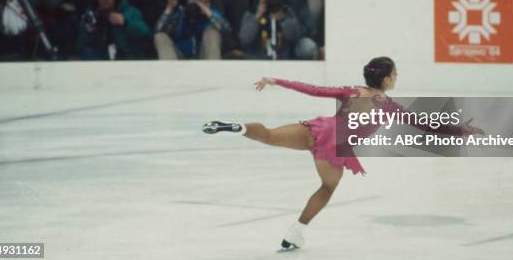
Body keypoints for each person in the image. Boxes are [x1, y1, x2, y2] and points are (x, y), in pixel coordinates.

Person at [201, 56, 484, 249]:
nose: (396, 77)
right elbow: (425, 125)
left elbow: (313, 89)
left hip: (318, 130)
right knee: (326, 188)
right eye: (394, 73)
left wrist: (278, 80)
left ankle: (237, 127)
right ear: (385, 79)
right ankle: (296, 232)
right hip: (335, 148)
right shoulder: (388, 105)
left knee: (271, 135)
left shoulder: (350, 91)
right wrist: (462, 131)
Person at [75, 0, 151, 60]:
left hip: (127, 59)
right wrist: (88, 32)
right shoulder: (90, 16)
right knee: (87, 52)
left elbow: (146, 33)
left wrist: (125, 22)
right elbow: (78, 47)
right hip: (101, 61)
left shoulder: (130, 12)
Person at [154, 0, 230, 59]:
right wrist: (169, 8)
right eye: (199, 1)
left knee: (212, 32)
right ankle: (169, 70)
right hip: (180, 59)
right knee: (160, 36)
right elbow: (158, 29)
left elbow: (226, 29)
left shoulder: (212, 12)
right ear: (190, 0)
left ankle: (213, 69)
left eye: (206, 2)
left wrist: (206, 10)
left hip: (204, 58)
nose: (203, 4)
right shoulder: (180, 12)